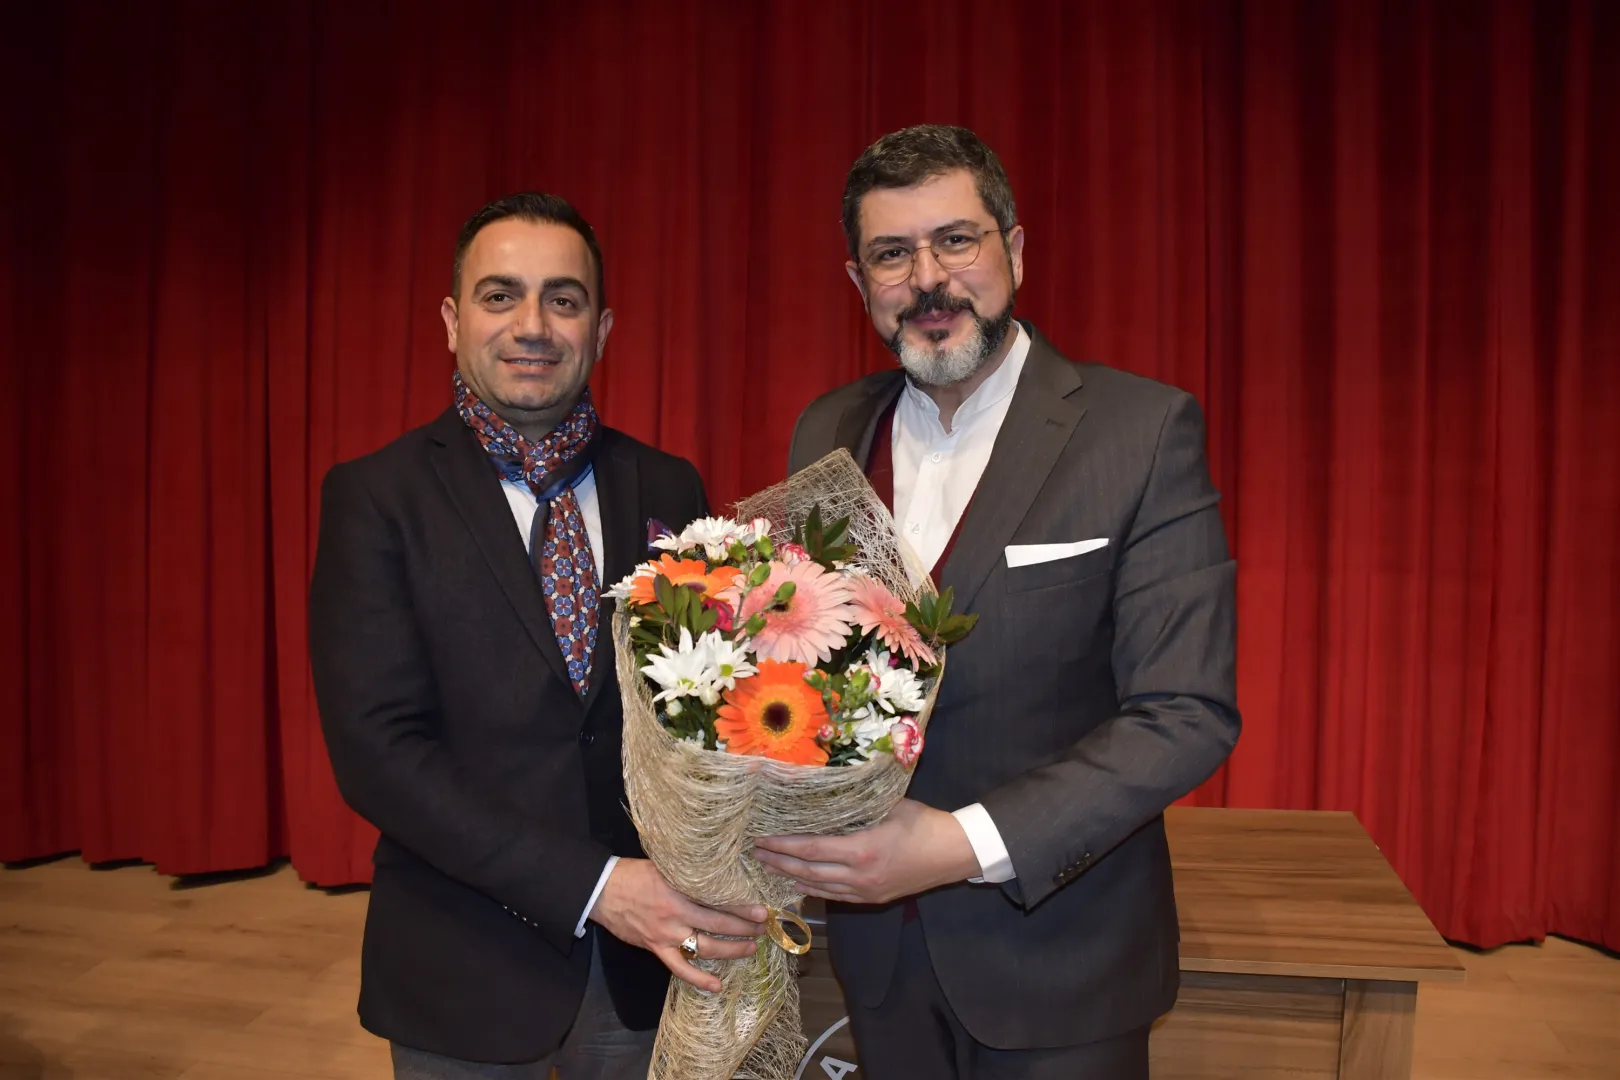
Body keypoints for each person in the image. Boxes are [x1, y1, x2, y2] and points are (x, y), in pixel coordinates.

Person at [752, 125, 1240, 1078]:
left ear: (1013, 250)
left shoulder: (1141, 430)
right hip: (877, 959)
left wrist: (959, 843)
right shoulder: (827, 429)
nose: (928, 279)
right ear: (858, 281)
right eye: (892, 254)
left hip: (1065, 959)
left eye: (956, 240)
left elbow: (1186, 713)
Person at [309, 192, 765, 1080]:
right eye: (500, 296)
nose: (533, 326)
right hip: (463, 965)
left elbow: (702, 711)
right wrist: (598, 888)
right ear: (452, 322)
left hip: (649, 965)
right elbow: (377, 755)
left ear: (602, 329)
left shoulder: (668, 486)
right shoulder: (375, 499)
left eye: (563, 299)